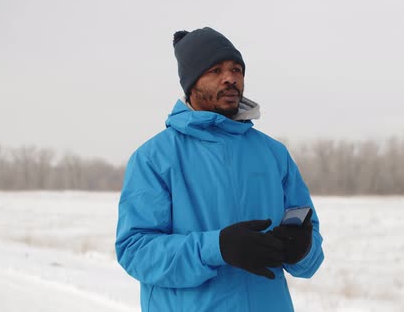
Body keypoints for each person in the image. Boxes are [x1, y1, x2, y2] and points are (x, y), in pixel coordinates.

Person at [115, 27, 324, 312]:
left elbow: (308, 241)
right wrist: (217, 247)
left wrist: (301, 249)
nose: (230, 78)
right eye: (215, 70)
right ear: (191, 82)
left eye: (237, 69)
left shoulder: (273, 154)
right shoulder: (154, 157)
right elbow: (135, 250)